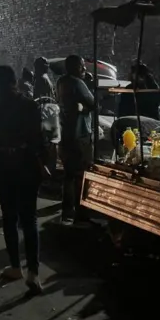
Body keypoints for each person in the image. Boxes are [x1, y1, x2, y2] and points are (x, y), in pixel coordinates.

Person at [0, 65, 47, 294]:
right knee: (29, 219)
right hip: (27, 167)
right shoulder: (28, 105)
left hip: (2, 169)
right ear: (15, 81)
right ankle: (34, 273)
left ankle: (16, 266)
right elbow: (39, 139)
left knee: (9, 217)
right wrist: (45, 163)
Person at [56, 54, 96, 226]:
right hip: (80, 135)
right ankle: (82, 213)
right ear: (74, 67)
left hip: (66, 134)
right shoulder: (77, 83)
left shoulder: (61, 82)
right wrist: (90, 86)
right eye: (82, 66)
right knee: (82, 174)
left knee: (69, 175)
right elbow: (93, 103)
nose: (84, 69)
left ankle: (67, 212)